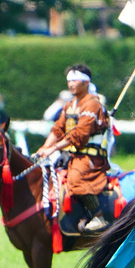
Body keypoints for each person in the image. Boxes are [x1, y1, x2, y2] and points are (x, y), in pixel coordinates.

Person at [33, 64, 111, 234]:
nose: (71, 84)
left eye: (75, 80)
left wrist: (52, 148)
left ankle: (98, 216)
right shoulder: (69, 105)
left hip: (90, 158)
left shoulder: (92, 104)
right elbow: (58, 129)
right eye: (69, 81)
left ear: (86, 82)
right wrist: (44, 147)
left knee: (75, 180)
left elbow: (79, 134)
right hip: (72, 155)